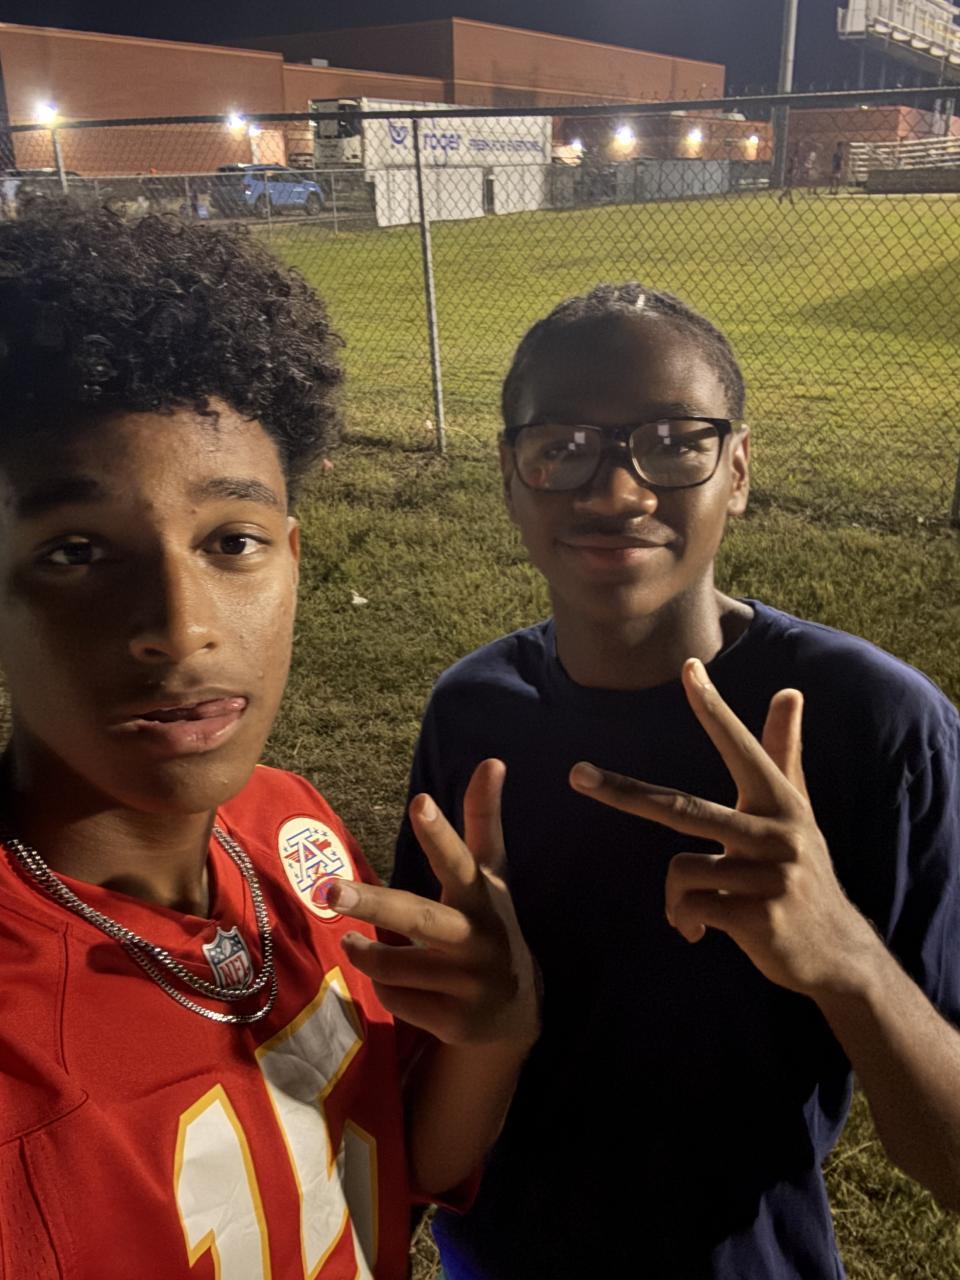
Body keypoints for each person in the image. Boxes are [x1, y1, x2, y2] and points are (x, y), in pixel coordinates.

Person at [0, 202, 539, 1280]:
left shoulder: (287, 823)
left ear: (292, 557)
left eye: (231, 541)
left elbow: (390, 1167)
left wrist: (494, 1033)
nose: (180, 625)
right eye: (76, 551)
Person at [391, 282, 960, 1278]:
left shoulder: (878, 724)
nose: (616, 493)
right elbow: (421, 1097)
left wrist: (849, 963)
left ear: (737, 469)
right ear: (510, 475)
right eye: (562, 446)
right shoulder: (473, 711)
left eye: (672, 442)